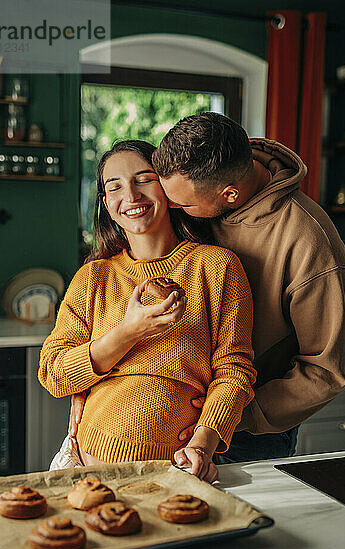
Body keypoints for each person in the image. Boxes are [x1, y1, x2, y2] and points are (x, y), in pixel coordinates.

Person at [38, 140, 256, 482]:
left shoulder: (217, 267)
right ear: (107, 205)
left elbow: (234, 371)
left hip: (177, 470)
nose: (131, 195)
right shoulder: (94, 277)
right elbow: (53, 373)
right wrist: (129, 331)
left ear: (167, 188)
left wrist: (203, 441)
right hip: (87, 470)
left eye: (144, 179)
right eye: (115, 187)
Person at [149, 112, 345, 463]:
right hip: (166, 414)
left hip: (247, 434)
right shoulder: (199, 192)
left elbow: (326, 372)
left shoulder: (308, 241)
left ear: (230, 194)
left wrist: (228, 417)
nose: (171, 210)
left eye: (182, 204)